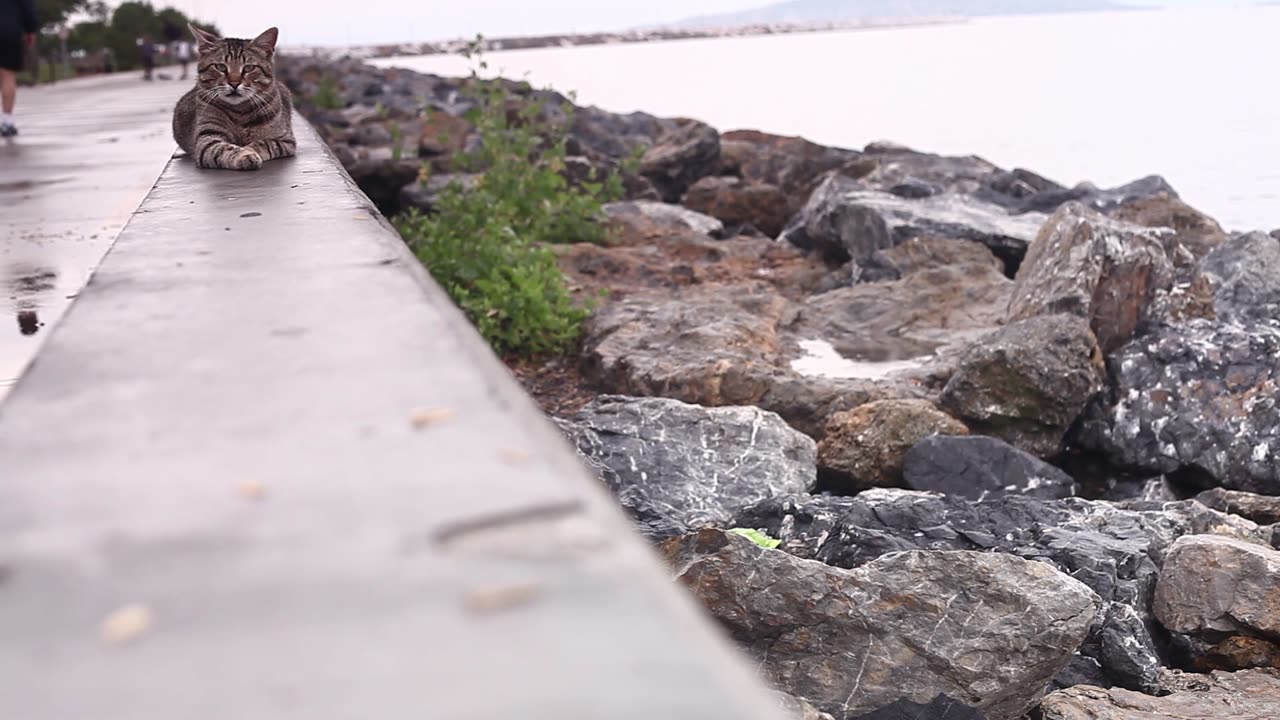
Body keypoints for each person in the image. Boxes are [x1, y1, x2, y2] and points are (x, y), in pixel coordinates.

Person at [0, 0, 39, 138]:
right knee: (7, 76)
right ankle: (7, 123)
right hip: (8, 31)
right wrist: (31, 30)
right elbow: (29, 10)